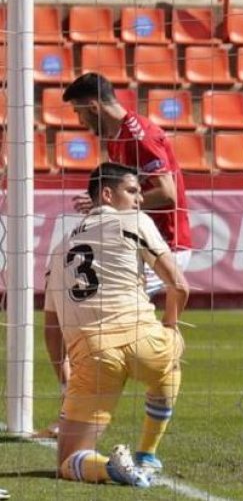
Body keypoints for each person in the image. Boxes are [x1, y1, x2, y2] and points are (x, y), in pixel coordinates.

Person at [43, 162, 190, 485]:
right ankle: (147, 454)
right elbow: (179, 285)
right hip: (145, 341)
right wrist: (170, 325)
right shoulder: (135, 221)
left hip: (93, 355)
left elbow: (51, 330)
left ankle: (111, 468)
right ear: (107, 194)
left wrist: (65, 380)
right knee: (171, 360)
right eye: (133, 191)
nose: (139, 199)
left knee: (68, 461)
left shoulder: (58, 250)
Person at [63, 72, 194, 298]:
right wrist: (100, 201)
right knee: (114, 310)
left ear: (94, 107)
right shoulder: (117, 139)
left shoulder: (139, 137)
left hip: (165, 245)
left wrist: (107, 205)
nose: (79, 121)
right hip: (142, 242)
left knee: (115, 307)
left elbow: (167, 193)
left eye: (79, 112)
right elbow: (127, 193)